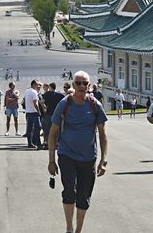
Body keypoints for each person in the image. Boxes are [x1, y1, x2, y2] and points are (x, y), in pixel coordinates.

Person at [48, 71, 108, 233]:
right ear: (73, 85)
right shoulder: (65, 103)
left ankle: (78, 230)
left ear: (89, 86)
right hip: (66, 155)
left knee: (83, 197)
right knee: (69, 192)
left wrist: (103, 160)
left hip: (88, 158)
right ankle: (69, 227)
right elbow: (53, 133)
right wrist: (51, 161)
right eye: (78, 83)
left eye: (85, 83)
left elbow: (102, 134)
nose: (82, 86)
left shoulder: (95, 105)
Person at [42, 82, 64, 150]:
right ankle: (56, 143)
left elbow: (42, 102)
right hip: (56, 114)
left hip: (48, 114)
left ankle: (46, 143)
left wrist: (44, 108)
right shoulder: (59, 95)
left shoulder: (46, 94)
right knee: (56, 130)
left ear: (50, 87)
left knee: (47, 130)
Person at [25, 80, 43, 149]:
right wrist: (39, 111)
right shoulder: (34, 92)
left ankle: (30, 143)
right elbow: (35, 103)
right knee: (38, 128)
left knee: (29, 129)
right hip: (34, 112)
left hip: (28, 112)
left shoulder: (27, 91)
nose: (38, 86)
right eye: (37, 85)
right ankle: (38, 144)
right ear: (33, 84)